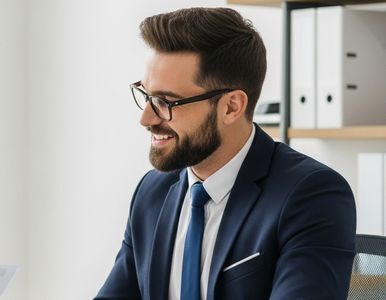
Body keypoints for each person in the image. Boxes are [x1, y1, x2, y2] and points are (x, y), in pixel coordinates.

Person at [95, 7, 355, 300]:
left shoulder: (310, 195)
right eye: (146, 96)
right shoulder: (152, 192)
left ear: (231, 107)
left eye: (166, 101)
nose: (147, 118)